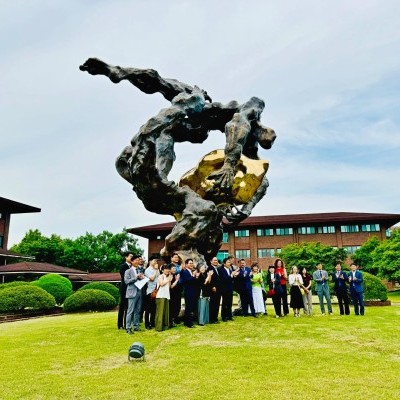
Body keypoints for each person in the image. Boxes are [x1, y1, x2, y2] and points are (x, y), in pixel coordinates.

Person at [124, 254, 145, 334]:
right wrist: (136, 277)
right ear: (132, 261)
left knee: (138, 310)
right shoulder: (128, 271)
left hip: (139, 292)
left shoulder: (140, 270)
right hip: (132, 292)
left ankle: (136, 326)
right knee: (130, 310)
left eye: (138, 260)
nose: (137, 261)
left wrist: (143, 278)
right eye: (135, 260)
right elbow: (126, 281)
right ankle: (128, 327)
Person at [180, 258, 199, 328]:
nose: (191, 264)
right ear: (186, 264)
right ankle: (189, 323)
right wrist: (193, 276)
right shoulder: (185, 272)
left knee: (191, 307)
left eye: (192, 263)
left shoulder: (191, 271)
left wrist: (195, 277)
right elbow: (188, 281)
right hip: (188, 292)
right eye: (190, 263)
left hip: (193, 292)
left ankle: (187, 321)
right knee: (189, 307)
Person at [155, 264, 172, 331]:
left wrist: (170, 279)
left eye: (168, 269)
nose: (168, 270)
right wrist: (168, 279)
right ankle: (159, 327)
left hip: (166, 295)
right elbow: (161, 284)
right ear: (162, 270)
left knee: (165, 311)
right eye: (166, 269)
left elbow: (169, 286)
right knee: (160, 312)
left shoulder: (168, 277)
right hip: (160, 296)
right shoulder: (160, 276)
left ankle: (165, 326)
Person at [117, 252, 132, 330]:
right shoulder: (123, 266)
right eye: (130, 257)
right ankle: (120, 324)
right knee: (122, 307)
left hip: (131, 290)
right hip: (124, 289)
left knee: (128, 307)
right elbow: (125, 277)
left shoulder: (132, 267)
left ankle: (127, 324)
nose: (131, 258)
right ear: (126, 257)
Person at [144, 258, 160, 329]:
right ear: (150, 261)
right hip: (150, 291)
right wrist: (156, 270)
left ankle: (152, 323)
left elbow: (159, 279)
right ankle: (147, 324)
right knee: (148, 309)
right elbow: (152, 278)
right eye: (154, 261)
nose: (156, 262)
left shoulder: (157, 270)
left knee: (154, 308)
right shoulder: (147, 270)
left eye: (156, 261)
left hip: (157, 290)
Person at [207, 256, 222, 323]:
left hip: (218, 289)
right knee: (213, 304)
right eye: (214, 260)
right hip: (213, 289)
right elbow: (209, 279)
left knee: (217, 304)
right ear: (211, 261)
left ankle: (215, 318)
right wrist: (212, 286)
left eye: (216, 260)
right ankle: (212, 319)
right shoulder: (210, 268)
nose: (216, 261)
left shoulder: (217, 268)